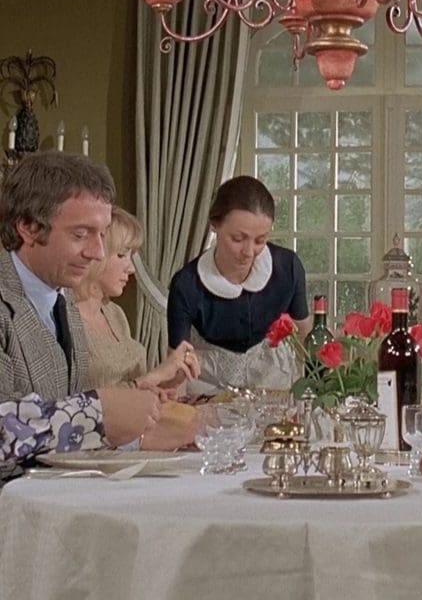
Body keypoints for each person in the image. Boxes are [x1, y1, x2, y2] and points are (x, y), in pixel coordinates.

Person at [0, 152, 162, 479]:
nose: (97, 252)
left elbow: (57, 444)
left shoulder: (64, 304)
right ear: (28, 227)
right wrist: (98, 413)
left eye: (102, 234)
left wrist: (136, 438)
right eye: (81, 234)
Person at [167, 175, 311, 389]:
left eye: (260, 240)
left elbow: (306, 338)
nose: (249, 252)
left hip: (274, 386)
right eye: (238, 239)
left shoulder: (287, 267)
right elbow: (177, 364)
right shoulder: (186, 284)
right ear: (214, 224)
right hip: (207, 388)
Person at [76, 206, 199, 397]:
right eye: (121, 255)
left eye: (131, 256)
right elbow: (78, 404)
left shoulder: (115, 313)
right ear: (96, 255)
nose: (131, 269)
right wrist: (154, 376)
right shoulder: (65, 321)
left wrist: (170, 379)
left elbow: (135, 387)